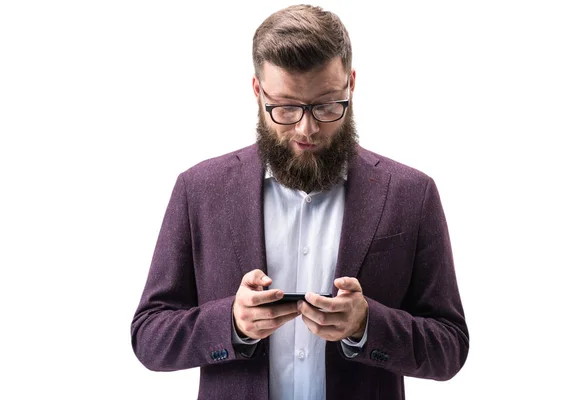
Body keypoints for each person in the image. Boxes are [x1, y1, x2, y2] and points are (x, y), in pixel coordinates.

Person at [131, 4, 469, 400]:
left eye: (327, 105)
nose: (306, 129)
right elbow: (149, 336)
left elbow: (450, 347)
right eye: (286, 108)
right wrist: (232, 322)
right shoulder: (200, 189)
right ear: (258, 92)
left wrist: (366, 324)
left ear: (351, 85)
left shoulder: (412, 193)